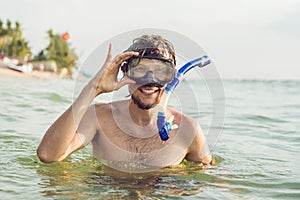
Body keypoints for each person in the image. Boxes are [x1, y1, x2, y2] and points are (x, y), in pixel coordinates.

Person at [37, 34, 216, 171]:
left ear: (171, 78)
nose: (149, 80)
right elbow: (48, 155)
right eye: (140, 70)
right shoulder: (99, 118)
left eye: (161, 72)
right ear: (125, 72)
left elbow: (211, 176)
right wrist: (93, 89)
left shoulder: (188, 129)